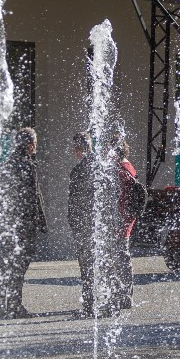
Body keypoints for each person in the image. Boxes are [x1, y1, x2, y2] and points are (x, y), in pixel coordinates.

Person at [0, 127, 46, 319]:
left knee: (3, 265)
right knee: (18, 266)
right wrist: (40, 221)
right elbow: (32, 196)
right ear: (30, 145)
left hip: (6, 224)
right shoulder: (28, 165)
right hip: (23, 225)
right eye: (35, 144)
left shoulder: (6, 164)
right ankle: (14, 306)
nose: (35, 147)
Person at [67, 132, 97, 316]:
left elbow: (75, 202)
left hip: (85, 226)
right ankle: (105, 303)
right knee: (99, 264)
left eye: (75, 148)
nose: (74, 151)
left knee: (87, 266)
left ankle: (90, 306)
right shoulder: (101, 167)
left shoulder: (79, 170)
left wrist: (74, 222)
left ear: (79, 149)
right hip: (98, 226)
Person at [110, 137, 138, 312]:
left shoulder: (120, 171)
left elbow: (116, 198)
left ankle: (123, 295)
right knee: (122, 257)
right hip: (126, 220)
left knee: (120, 258)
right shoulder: (129, 167)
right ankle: (124, 294)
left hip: (119, 221)